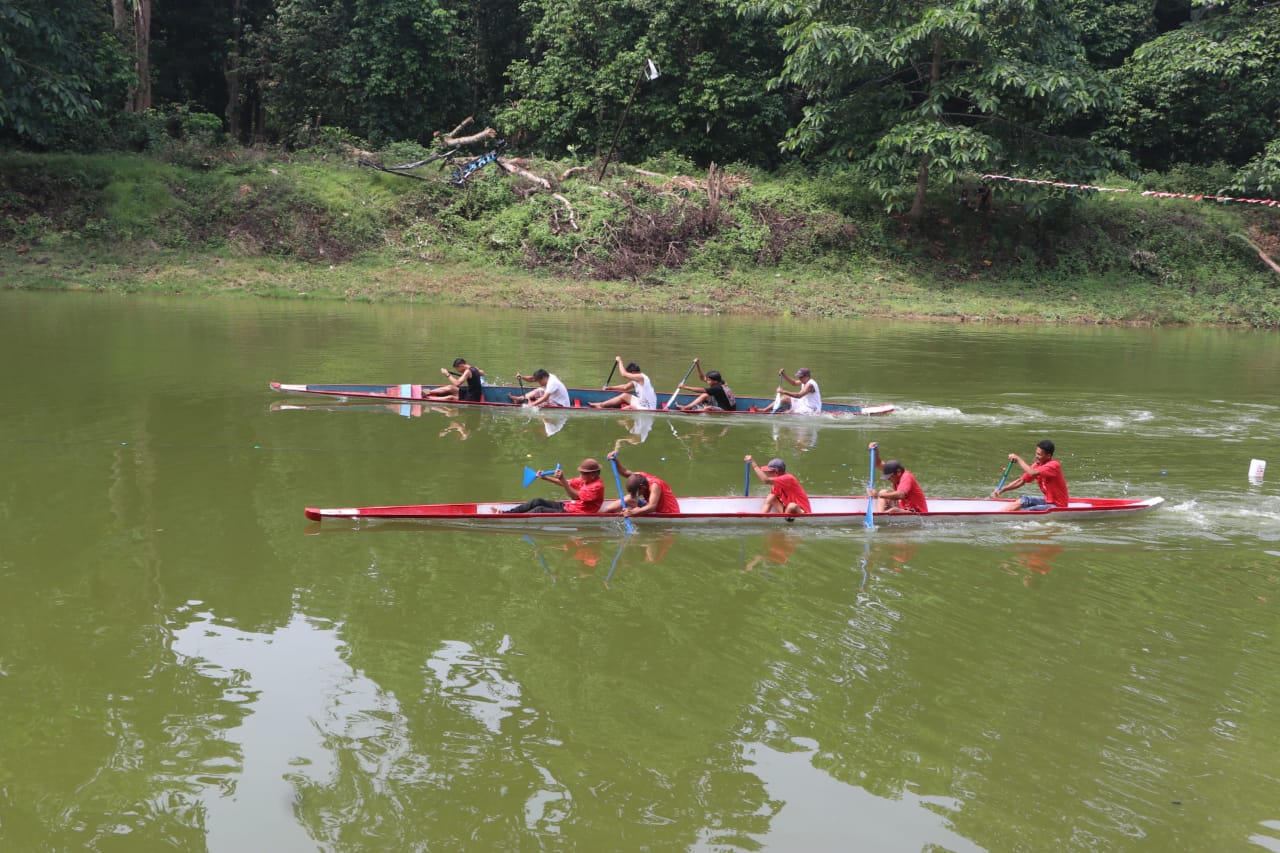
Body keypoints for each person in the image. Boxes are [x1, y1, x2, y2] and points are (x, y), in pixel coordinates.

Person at [503, 458, 605, 513]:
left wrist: (563, 479)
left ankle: (511, 519)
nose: (580, 475)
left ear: (592, 475)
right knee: (537, 501)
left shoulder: (596, 487)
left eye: (583, 473)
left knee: (539, 510)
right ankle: (506, 513)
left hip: (578, 512)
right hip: (571, 507)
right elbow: (566, 483)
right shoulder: (585, 479)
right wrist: (546, 478)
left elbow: (574, 496)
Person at [993, 439, 1068, 511]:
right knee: (1024, 500)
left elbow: (1032, 473)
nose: (1036, 456)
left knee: (1030, 510)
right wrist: (1003, 489)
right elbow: (1021, 481)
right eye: (1036, 453)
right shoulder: (1037, 465)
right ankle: (999, 513)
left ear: (1048, 456)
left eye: (1039, 454)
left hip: (1058, 505)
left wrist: (1018, 459)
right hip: (1048, 500)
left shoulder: (1054, 465)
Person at [600, 452, 680, 516]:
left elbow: (652, 507)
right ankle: (603, 514)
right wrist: (615, 460)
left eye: (636, 493)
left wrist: (632, 513)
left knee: (630, 499)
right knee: (629, 498)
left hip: (667, 512)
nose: (635, 495)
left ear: (643, 487)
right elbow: (624, 472)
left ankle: (601, 515)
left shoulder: (655, 486)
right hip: (652, 506)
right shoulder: (640, 476)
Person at [867, 441, 928, 514]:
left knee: (894, 510)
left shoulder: (906, 477)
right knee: (883, 492)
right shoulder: (894, 471)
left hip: (917, 512)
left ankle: (882, 518)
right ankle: (881, 516)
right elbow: (878, 464)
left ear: (898, 472)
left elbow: (900, 494)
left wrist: (878, 495)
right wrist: (875, 451)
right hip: (904, 508)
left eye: (890, 477)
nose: (889, 479)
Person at [745, 455, 811, 515]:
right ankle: (783, 518)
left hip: (801, 511)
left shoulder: (788, 478)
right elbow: (767, 502)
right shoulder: (777, 484)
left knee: (792, 506)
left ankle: (786, 521)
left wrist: (754, 464)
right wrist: (761, 517)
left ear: (776, 471)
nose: (768, 473)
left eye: (769, 472)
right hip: (787, 511)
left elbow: (766, 480)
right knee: (771, 498)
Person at [589, 358, 657, 409]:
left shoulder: (641, 377)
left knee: (628, 408)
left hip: (648, 407)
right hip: (642, 403)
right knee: (624, 395)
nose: (629, 377)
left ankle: (622, 419)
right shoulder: (637, 379)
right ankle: (601, 405)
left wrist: (620, 361)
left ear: (633, 373)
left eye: (629, 374)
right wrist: (609, 388)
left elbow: (623, 374)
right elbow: (625, 387)